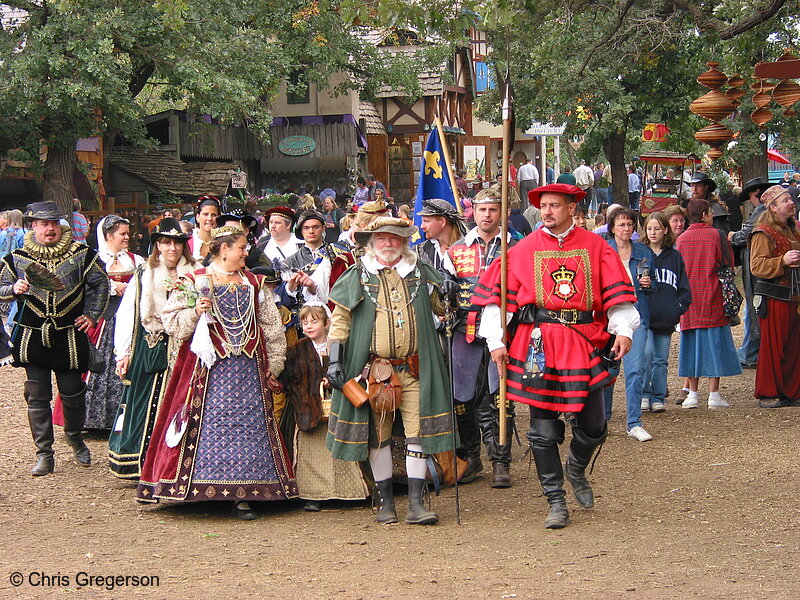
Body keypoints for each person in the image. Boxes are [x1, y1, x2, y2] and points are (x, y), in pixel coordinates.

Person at [472, 183, 639, 529]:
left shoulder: (596, 247)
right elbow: (498, 298)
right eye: (544, 206)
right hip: (538, 344)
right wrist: (495, 340)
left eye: (554, 206)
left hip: (583, 340)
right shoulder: (523, 249)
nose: (547, 211)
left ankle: (576, 467)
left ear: (572, 209)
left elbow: (617, 293)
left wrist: (623, 329)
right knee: (543, 431)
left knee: (593, 424)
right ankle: (555, 500)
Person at [135, 225, 296, 519]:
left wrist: (274, 364)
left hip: (248, 372)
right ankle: (198, 488)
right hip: (206, 373)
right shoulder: (194, 281)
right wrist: (196, 311)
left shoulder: (255, 284)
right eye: (242, 248)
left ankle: (246, 493)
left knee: (248, 427)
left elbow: (272, 328)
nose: (247, 252)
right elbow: (171, 321)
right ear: (224, 249)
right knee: (209, 423)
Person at [325, 217, 456, 525]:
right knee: (379, 437)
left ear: (404, 242)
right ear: (371, 243)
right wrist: (334, 359)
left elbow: (442, 310)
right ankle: (385, 502)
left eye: (395, 238)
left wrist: (450, 292)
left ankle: (415, 503)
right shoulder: (358, 276)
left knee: (418, 434)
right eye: (382, 238)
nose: (388, 243)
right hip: (374, 372)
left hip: (415, 369)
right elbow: (340, 322)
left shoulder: (421, 273)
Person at [0, 202, 109, 475]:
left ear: (61, 226)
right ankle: (44, 454)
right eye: (43, 224)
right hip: (32, 335)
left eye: (54, 224)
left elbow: (100, 284)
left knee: (73, 393)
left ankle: (74, 437)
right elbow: (0, 287)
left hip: (70, 336)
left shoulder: (83, 255)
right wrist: (14, 288)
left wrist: (93, 315)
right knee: (36, 396)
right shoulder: (16, 258)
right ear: (32, 226)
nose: (49, 229)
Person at [108, 218, 197, 479]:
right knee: (148, 403)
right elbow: (126, 316)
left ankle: (176, 464)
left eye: (177, 243)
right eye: (166, 243)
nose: (172, 249)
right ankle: (141, 461)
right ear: (157, 246)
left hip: (186, 346)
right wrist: (123, 353)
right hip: (153, 346)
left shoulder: (196, 272)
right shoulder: (143, 275)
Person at [444, 189, 518, 487]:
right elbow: (444, 286)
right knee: (461, 396)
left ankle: (501, 460)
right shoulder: (456, 250)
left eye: (493, 209)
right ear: (472, 212)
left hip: (504, 331)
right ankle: (471, 457)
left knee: (501, 395)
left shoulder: (517, 248)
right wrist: (445, 287)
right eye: (482, 209)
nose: (487, 215)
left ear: (502, 212)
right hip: (466, 329)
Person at [281, 303, 369, 511]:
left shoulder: (339, 347)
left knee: (338, 452)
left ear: (326, 323)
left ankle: (347, 493)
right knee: (309, 454)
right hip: (307, 409)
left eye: (314, 321)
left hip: (337, 408)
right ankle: (312, 495)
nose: (309, 326)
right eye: (305, 322)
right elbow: (287, 380)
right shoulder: (296, 350)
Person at [73, 215, 145, 430]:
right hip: (103, 320)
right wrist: (113, 288)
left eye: (127, 233)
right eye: (122, 234)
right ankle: (92, 420)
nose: (127, 237)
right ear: (108, 236)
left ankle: (124, 418)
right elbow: (84, 288)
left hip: (130, 321)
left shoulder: (135, 260)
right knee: (98, 367)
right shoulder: (94, 260)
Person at [675, 199, 742, 408]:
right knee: (715, 344)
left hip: (689, 300)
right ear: (704, 214)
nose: (712, 216)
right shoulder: (716, 235)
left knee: (691, 345)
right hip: (712, 295)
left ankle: (692, 393)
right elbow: (727, 263)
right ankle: (714, 395)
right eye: (710, 213)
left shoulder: (682, 239)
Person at [603, 208, 655, 441]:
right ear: (612, 227)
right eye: (621, 224)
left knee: (635, 369)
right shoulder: (603, 251)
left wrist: (647, 283)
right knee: (608, 369)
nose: (626, 229)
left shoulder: (643, 253)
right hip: (609, 318)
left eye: (630, 224)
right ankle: (602, 419)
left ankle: (634, 422)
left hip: (636, 316)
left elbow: (651, 287)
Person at [749, 186, 800, 408]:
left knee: (794, 347)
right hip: (774, 296)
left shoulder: (795, 229)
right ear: (772, 207)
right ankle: (769, 392)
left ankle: (792, 390)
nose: (791, 203)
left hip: (795, 296)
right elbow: (756, 266)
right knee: (773, 346)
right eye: (785, 200)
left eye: (790, 199)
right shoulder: (763, 232)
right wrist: (782, 261)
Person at [641, 212, 691, 413]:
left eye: (657, 228)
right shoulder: (641, 252)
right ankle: (644, 393)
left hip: (666, 316)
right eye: (649, 228)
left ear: (665, 230)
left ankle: (658, 396)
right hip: (645, 315)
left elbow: (684, 287)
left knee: (661, 359)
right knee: (646, 354)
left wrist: (677, 308)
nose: (653, 232)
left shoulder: (675, 256)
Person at [284, 211, 350, 305]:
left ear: (323, 228)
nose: (311, 231)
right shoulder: (291, 262)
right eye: (306, 228)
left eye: (316, 227)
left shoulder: (336, 253)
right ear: (301, 231)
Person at [416, 198, 466, 273]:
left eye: (426, 221)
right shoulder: (420, 251)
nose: (422, 226)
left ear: (442, 222)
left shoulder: (469, 248)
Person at [188, 196, 221, 261]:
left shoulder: (223, 242)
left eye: (214, 215)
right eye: (205, 214)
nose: (209, 218)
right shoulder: (187, 243)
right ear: (197, 217)